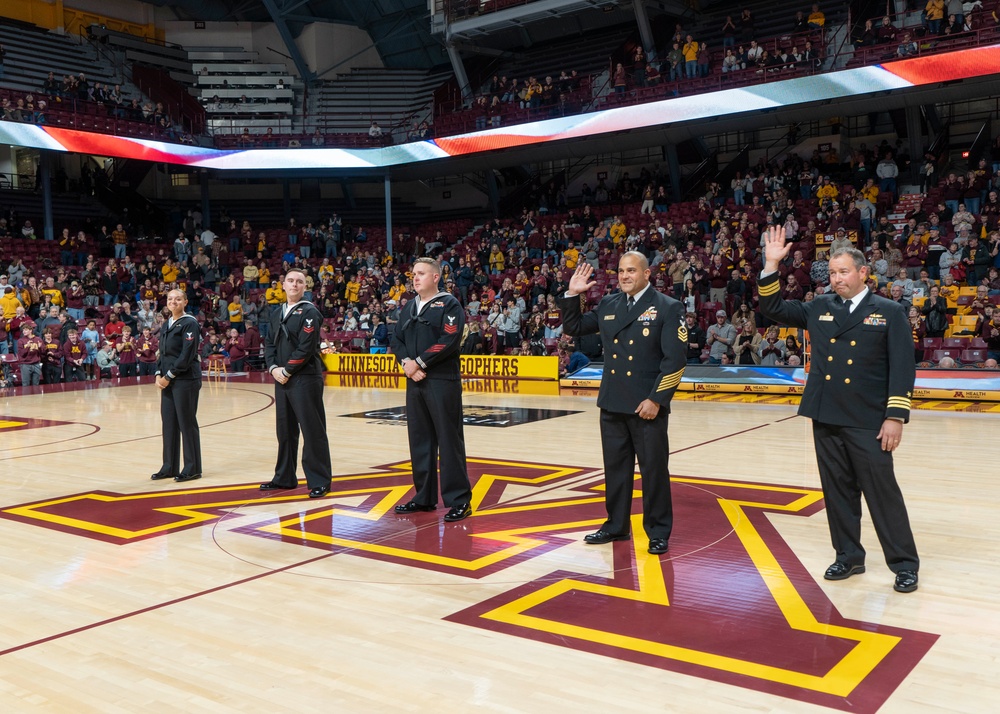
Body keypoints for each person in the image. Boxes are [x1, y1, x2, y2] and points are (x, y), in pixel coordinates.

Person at [758, 225, 920, 593]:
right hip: (827, 414)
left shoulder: (889, 311)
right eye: (832, 273)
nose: (836, 278)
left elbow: (902, 368)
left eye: (843, 271)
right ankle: (848, 556)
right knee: (837, 492)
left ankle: (904, 564)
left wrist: (895, 416)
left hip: (869, 419)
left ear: (863, 273)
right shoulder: (820, 306)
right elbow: (773, 308)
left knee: (882, 493)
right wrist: (771, 264)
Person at [558, 253, 687, 555]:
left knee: (654, 470)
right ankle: (616, 525)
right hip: (613, 401)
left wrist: (657, 398)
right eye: (621, 271)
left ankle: (657, 531)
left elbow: (675, 361)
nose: (625, 276)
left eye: (632, 271)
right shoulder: (609, 304)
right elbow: (574, 326)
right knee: (615, 469)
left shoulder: (668, 307)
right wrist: (573, 294)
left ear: (647, 274)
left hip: (646, 405)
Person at [390, 258, 473, 522]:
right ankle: (423, 497)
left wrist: (419, 363)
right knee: (420, 441)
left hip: (441, 381)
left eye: (421, 273)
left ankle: (459, 500)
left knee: (449, 441)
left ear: (436, 277)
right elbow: (396, 339)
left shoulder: (448, 303)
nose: (415, 278)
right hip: (414, 381)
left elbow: (449, 340)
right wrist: (407, 364)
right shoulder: (410, 306)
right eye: (414, 274)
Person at [259, 271, 332, 499]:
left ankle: (319, 481)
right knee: (285, 430)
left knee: (312, 430)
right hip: (281, 378)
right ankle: (284, 477)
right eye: (290, 280)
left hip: (305, 378)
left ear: (305, 286)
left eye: (299, 281)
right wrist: (273, 369)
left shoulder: (309, 311)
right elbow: (269, 343)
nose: (294, 284)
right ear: (283, 285)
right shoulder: (276, 312)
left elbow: (307, 347)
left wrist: (287, 370)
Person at [152, 289, 203, 483]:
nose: (174, 302)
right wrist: (158, 373)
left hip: (185, 380)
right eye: (170, 299)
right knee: (169, 423)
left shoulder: (189, 323)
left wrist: (169, 375)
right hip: (167, 380)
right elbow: (162, 352)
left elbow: (187, 355)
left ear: (185, 302)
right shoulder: (166, 324)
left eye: (178, 299)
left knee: (186, 424)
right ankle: (169, 466)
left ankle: (192, 468)